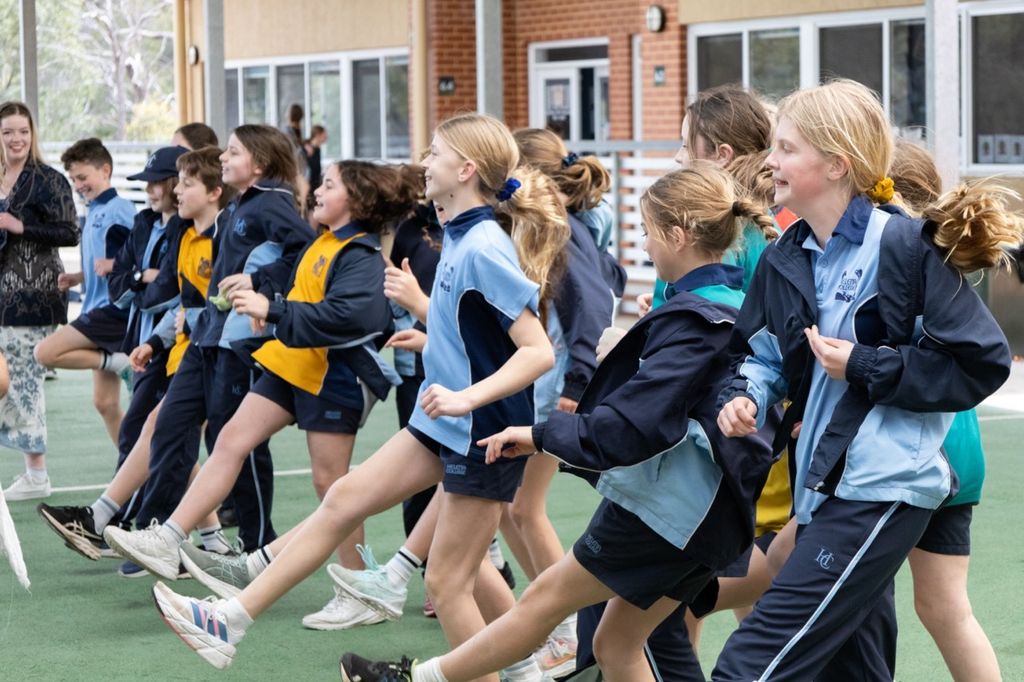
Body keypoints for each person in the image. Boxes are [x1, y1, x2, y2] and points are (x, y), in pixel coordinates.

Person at [148, 113, 567, 679]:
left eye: (435, 153)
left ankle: (520, 668)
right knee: (346, 501)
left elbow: (537, 351)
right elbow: (477, 330)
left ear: (466, 170)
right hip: (443, 422)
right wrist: (429, 321)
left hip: (481, 432)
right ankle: (229, 620)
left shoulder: (482, 245)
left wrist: (467, 398)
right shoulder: (460, 233)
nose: (424, 162)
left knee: (448, 582)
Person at [337, 162, 776, 682]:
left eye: (648, 233)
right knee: (616, 644)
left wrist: (539, 435)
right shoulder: (727, 307)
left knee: (544, 599)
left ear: (678, 237)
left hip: (671, 509)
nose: (644, 246)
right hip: (699, 511)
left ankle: (417, 679)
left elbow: (632, 426)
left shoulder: (698, 321)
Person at [712, 79, 1017, 681]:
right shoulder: (787, 254)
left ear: (837, 165)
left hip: (882, 484)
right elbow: (759, 353)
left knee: (748, 665)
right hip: (823, 485)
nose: (770, 161)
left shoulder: (903, 247)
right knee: (853, 669)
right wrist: (743, 394)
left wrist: (863, 364)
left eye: (786, 148)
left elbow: (981, 362)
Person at [111, 161, 410, 631]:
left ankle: (358, 587)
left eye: (329, 185)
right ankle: (169, 537)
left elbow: (351, 317)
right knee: (230, 439)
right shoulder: (324, 241)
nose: (316, 191)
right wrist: (258, 284)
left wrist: (272, 309)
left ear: (356, 201)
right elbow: (295, 278)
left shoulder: (362, 255)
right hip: (290, 363)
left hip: (332, 375)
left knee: (332, 487)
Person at [103, 125, 313, 556]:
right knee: (169, 423)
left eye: (232, 152)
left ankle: (256, 542)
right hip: (205, 337)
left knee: (232, 441)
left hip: (237, 343)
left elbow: (304, 250)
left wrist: (260, 282)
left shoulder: (272, 203)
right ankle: (154, 531)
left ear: (259, 163)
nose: (223, 158)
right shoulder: (239, 205)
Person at [36, 147, 234, 572]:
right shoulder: (160, 226)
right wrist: (154, 325)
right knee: (156, 432)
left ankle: (149, 530)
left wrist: (149, 298)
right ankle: (188, 537)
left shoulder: (211, 232)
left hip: (205, 353)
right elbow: (134, 285)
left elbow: (171, 294)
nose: (163, 191)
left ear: (214, 190)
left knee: (179, 441)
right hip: (163, 344)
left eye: (175, 182)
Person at [34, 139, 137, 450]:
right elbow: (104, 262)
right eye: (74, 179)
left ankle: (119, 362)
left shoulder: (120, 210)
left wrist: (115, 266)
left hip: (113, 311)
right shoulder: (94, 210)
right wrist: (80, 277)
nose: (78, 186)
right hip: (96, 306)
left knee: (45, 353)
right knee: (105, 403)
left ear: (105, 170)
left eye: (83, 177)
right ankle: (133, 469)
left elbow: (137, 259)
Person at [0, 101, 79, 501]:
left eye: (23, 131)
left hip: (33, 294)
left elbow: (70, 232)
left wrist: (22, 226)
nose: (17, 139)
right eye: (8, 132)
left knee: (23, 379)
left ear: (33, 134)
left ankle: (36, 473)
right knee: (8, 380)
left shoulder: (50, 180)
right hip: (1, 293)